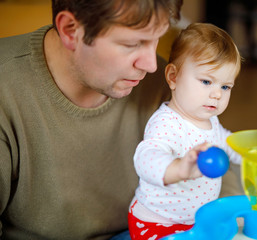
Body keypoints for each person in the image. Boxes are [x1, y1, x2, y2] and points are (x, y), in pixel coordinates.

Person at [0, 0, 183, 239]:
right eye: (132, 44)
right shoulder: (6, 88)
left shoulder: (163, 82)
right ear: (70, 30)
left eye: (157, 37)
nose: (150, 64)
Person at [128, 23, 243, 240]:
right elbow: (146, 158)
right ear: (173, 77)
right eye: (207, 81)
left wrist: (249, 154)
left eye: (225, 87)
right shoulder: (167, 122)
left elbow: (225, 142)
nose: (217, 94)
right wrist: (179, 168)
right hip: (157, 222)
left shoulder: (210, 120)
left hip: (194, 220)